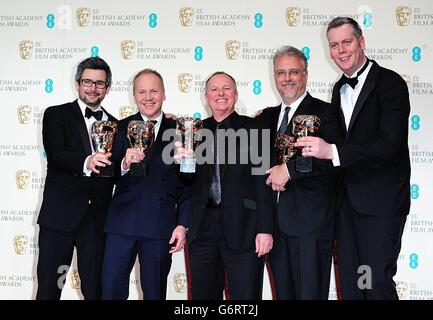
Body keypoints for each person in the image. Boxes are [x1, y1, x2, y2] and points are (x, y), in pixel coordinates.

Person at [296, 17, 411, 299]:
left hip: (380, 203)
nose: (340, 51)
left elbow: (389, 145)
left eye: (346, 42)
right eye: (334, 45)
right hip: (347, 204)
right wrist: (270, 119)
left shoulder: (391, 83)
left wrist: (332, 151)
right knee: (353, 285)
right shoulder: (338, 89)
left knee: (375, 283)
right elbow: (333, 134)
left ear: (361, 42)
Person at [256, 46, 343, 299]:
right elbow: (237, 135)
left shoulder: (327, 113)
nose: (287, 78)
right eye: (281, 72)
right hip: (275, 227)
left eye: (293, 71)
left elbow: (336, 162)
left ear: (305, 74)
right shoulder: (267, 118)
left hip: (311, 226)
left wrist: (290, 171)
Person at [102, 69, 190, 300]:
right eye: (141, 91)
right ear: (134, 96)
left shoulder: (181, 131)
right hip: (122, 224)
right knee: (111, 290)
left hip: (160, 226)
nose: (148, 97)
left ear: (164, 94)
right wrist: (122, 163)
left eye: (154, 91)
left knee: (155, 293)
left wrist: (182, 224)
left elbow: (190, 185)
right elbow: (103, 174)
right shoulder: (118, 128)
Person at [186, 71, 274, 299]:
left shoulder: (254, 128)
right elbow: (187, 183)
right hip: (202, 230)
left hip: (245, 228)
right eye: (214, 89)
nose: (220, 94)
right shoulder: (193, 131)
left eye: (226, 88)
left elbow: (263, 182)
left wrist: (265, 229)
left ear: (235, 95)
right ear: (206, 97)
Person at [36, 56, 117, 299]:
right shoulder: (56, 114)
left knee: (95, 290)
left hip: (96, 221)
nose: (93, 88)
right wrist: (87, 161)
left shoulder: (117, 125)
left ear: (108, 88)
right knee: (50, 288)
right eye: (88, 82)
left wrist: (168, 124)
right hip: (59, 217)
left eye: (100, 83)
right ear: (77, 83)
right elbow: (57, 156)